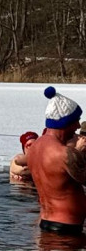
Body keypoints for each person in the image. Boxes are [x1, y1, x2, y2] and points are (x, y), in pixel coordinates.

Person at [25, 87, 86, 234]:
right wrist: (79, 152)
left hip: (46, 221)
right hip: (67, 228)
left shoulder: (35, 147)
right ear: (66, 122)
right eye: (76, 121)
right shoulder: (64, 154)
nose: (78, 126)